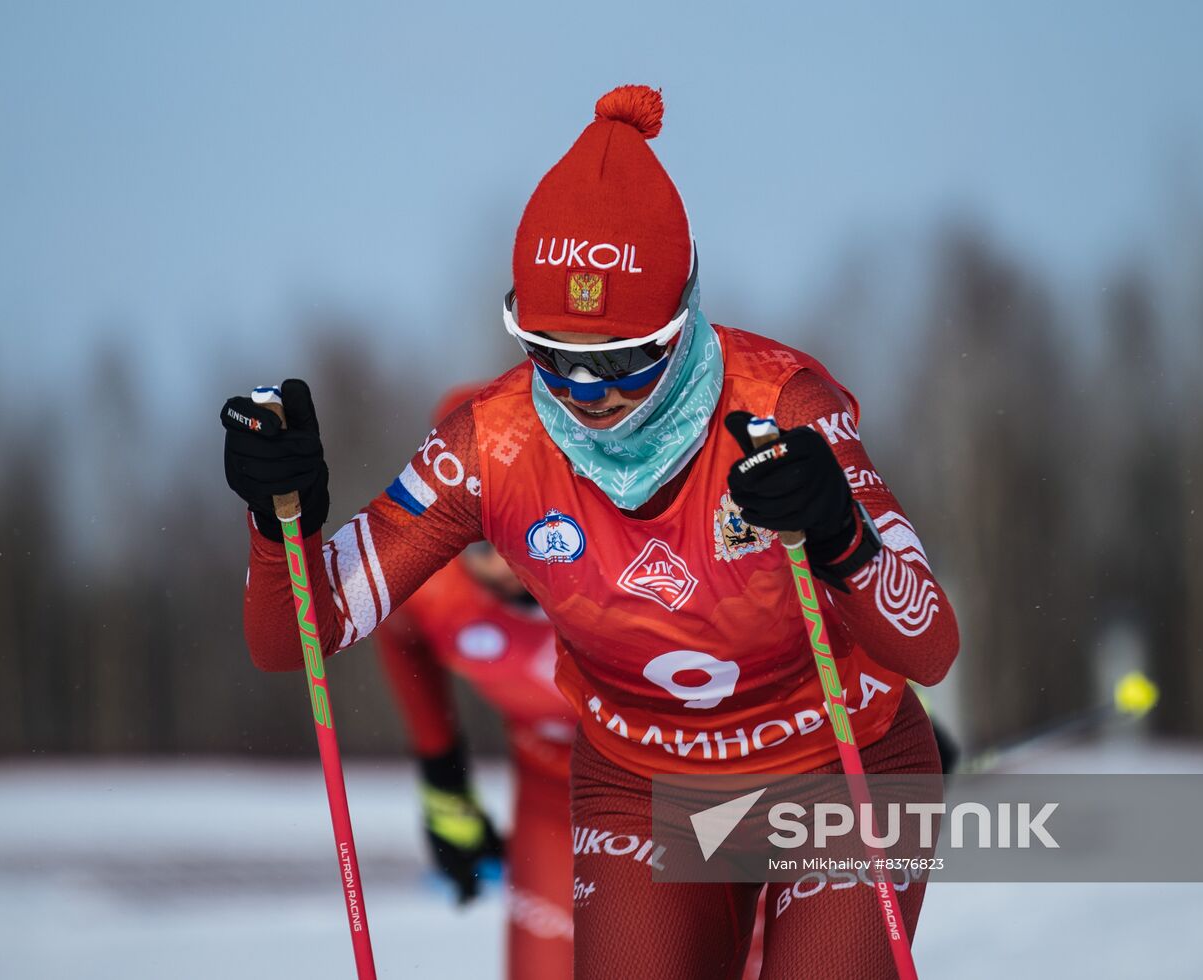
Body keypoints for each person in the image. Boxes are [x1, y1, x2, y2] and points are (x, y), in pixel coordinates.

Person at [223, 85, 959, 979]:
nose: (587, 395)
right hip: (643, 783)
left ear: (683, 320)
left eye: (620, 360)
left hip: (841, 765)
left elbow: (930, 646)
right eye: (551, 357)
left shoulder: (780, 406)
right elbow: (294, 636)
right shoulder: (493, 444)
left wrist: (839, 531)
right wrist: (278, 522)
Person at [376, 384, 576, 980]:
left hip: (689, 781)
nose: (505, 558)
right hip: (553, 787)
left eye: (520, 524)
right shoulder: (433, 593)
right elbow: (401, 635)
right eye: (477, 536)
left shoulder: (619, 572)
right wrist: (445, 781)